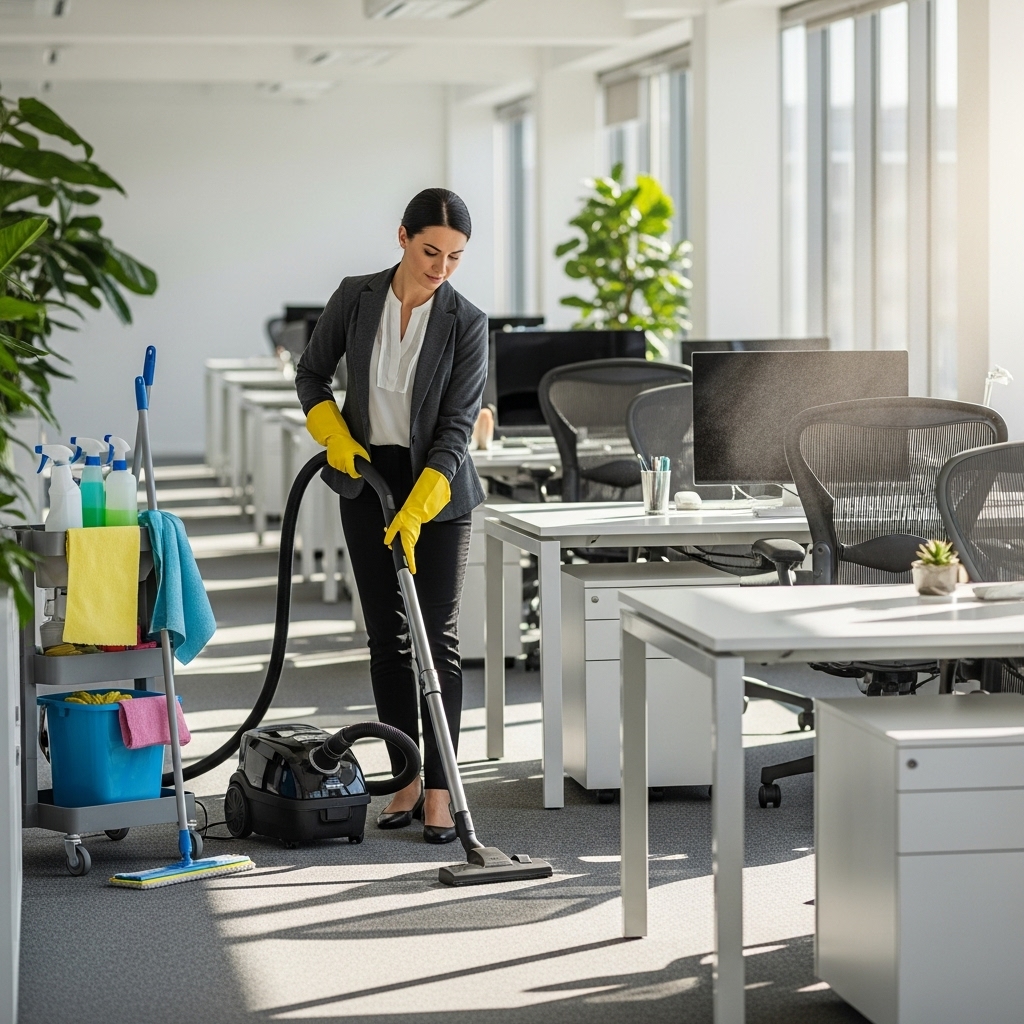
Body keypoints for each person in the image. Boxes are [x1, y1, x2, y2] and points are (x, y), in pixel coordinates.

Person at [295, 189, 487, 844]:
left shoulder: (467, 321)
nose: (441, 269)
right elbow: (312, 373)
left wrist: (420, 506)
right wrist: (332, 433)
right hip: (366, 479)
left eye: (455, 257)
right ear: (402, 237)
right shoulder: (356, 296)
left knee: (438, 640)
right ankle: (405, 777)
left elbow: (457, 429)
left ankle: (441, 791)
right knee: (388, 637)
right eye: (431, 251)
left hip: (437, 490)